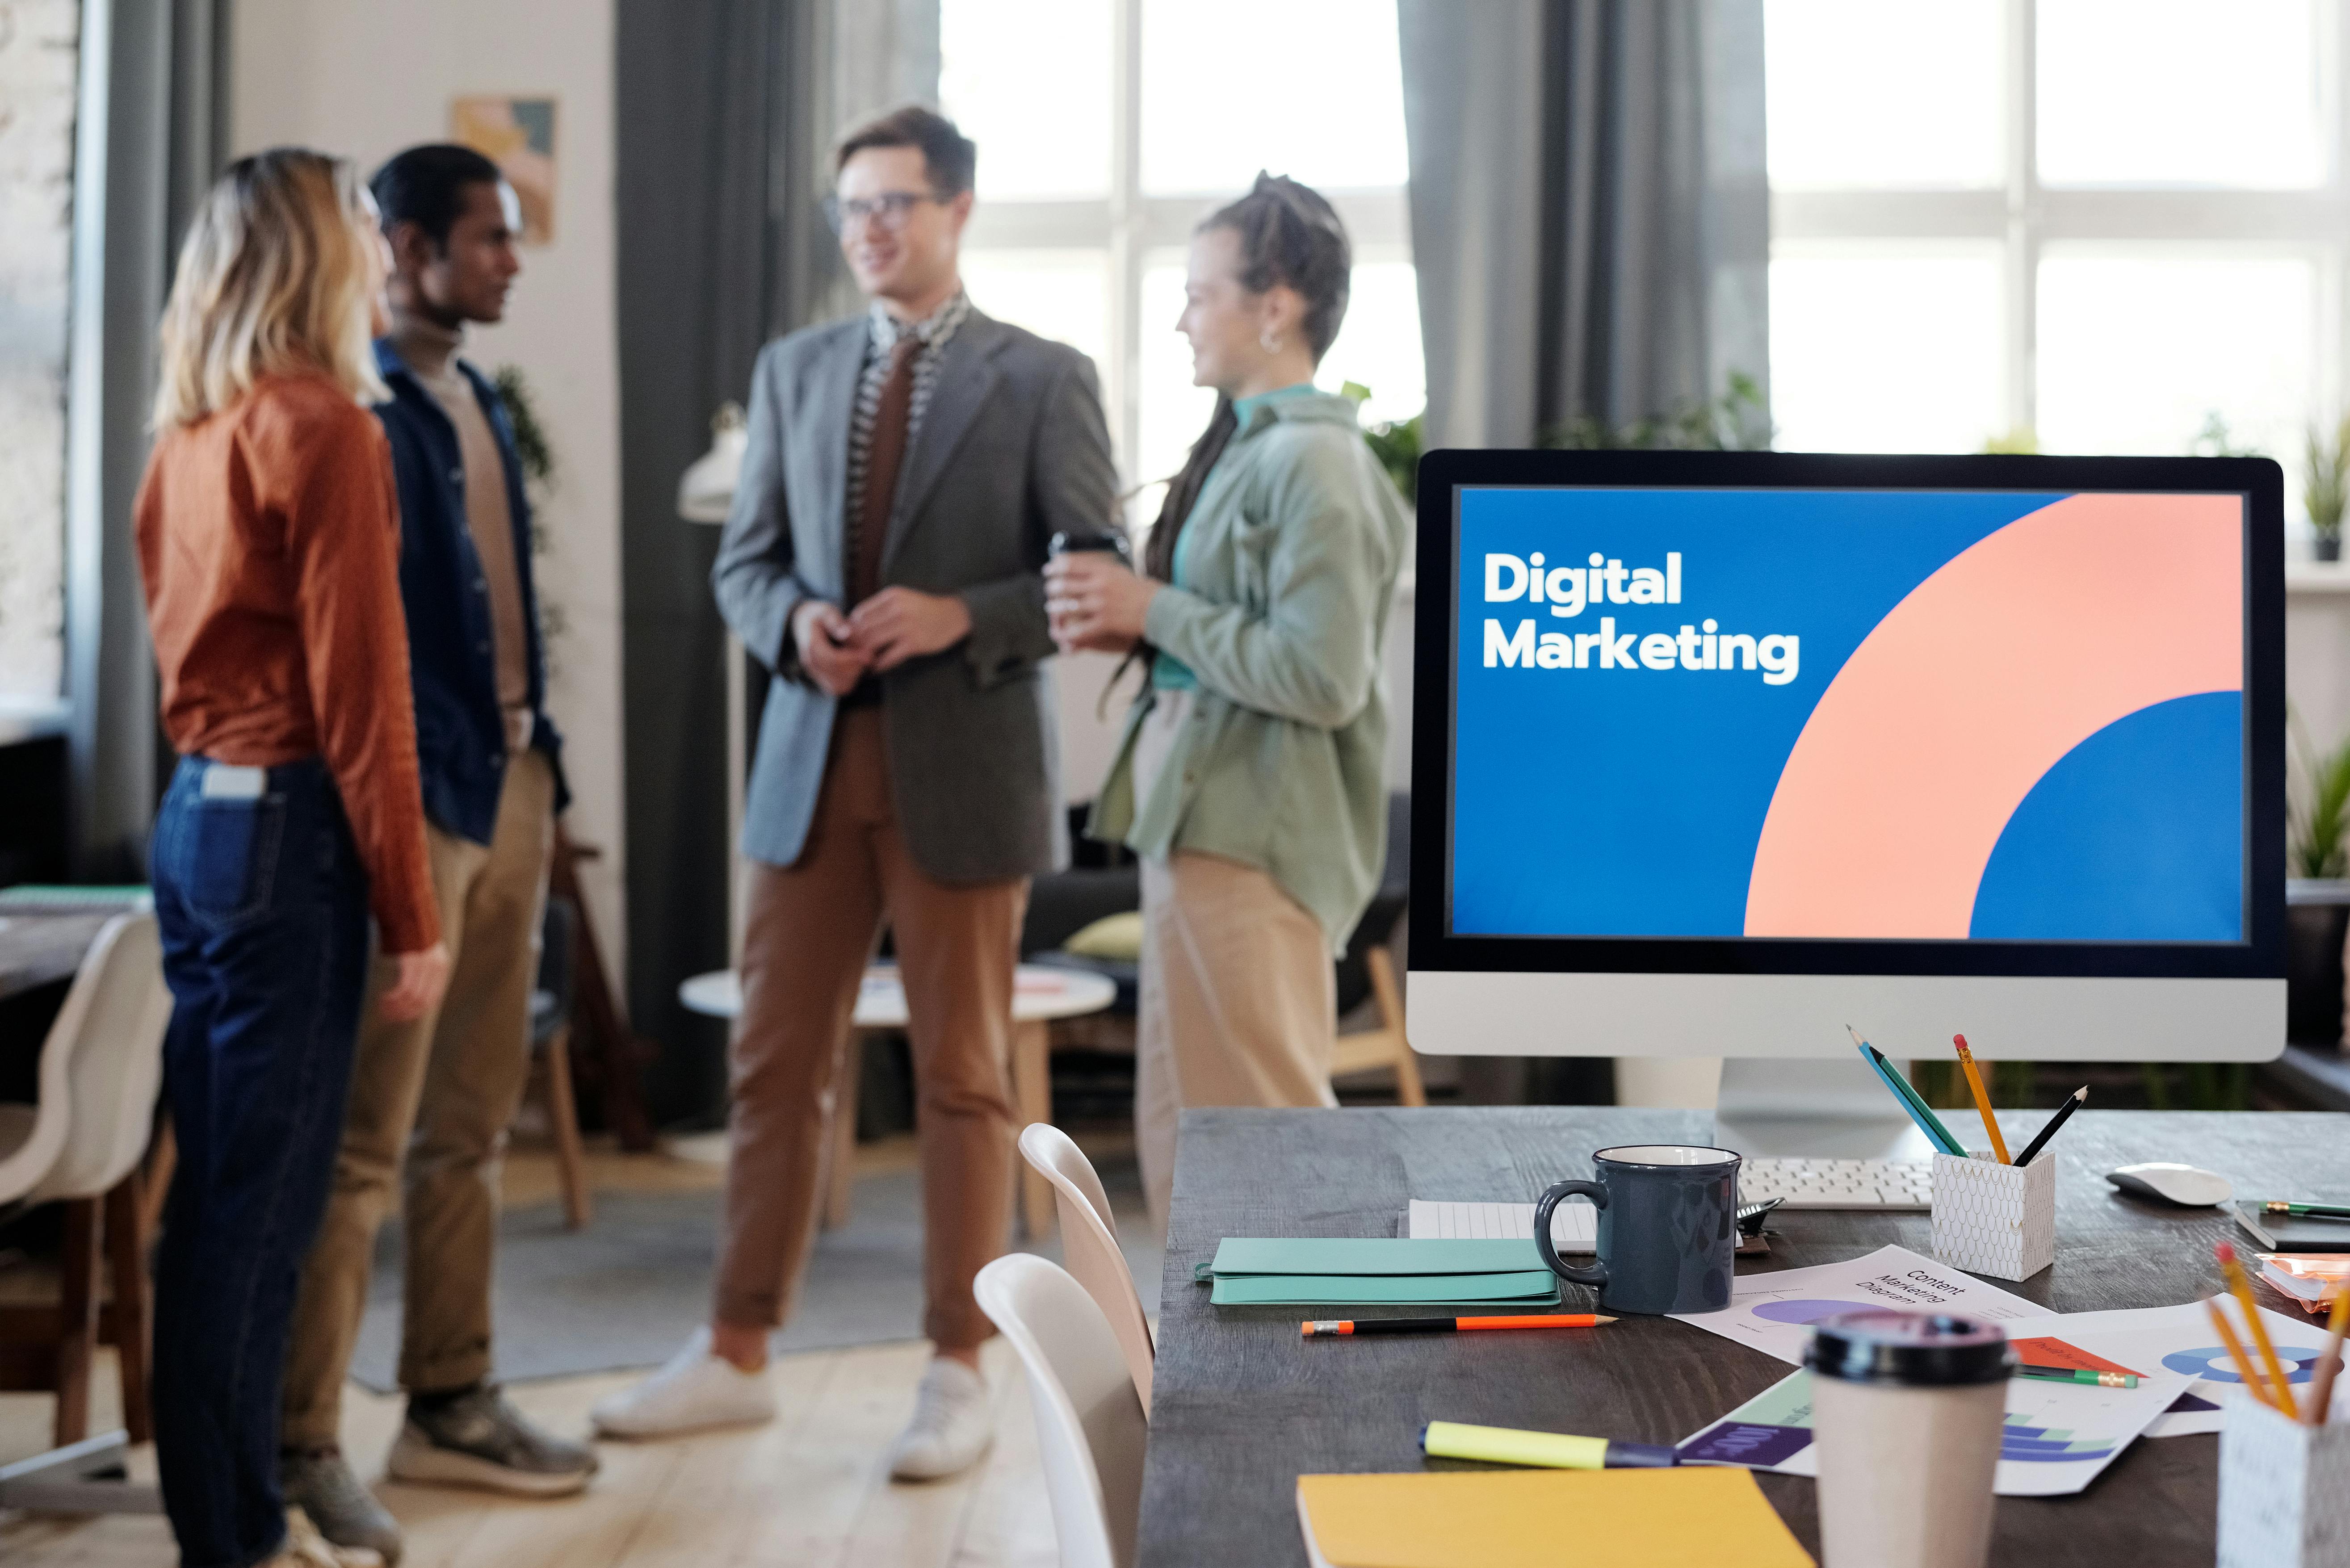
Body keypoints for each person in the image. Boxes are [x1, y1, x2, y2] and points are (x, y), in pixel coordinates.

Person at [589, 104, 1116, 1479]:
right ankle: (735, 1348)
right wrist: (788, 624)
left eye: (893, 204)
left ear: (954, 212)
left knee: (960, 1075)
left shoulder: (1043, 374)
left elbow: (1086, 573)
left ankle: (959, 1362)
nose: (868, 229)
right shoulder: (793, 369)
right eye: (850, 210)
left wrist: (962, 615)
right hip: (809, 764)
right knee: (770, 1064)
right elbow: (742, 562)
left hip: (965, 771)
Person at [274, 144, 596, 1562]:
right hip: (418, 802)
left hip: (516, 778)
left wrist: (539, 775)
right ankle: (300, 1441)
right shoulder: (350, 404)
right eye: (488, 239)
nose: (511, 261)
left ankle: (449, 1395)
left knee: (474, 1127)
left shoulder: (475, 394)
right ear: (402, 245)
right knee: (365, 1143)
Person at [138, 147, 453, 1568]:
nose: (380, 254)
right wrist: (414, 907)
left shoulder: (190, 430)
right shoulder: (325, 423)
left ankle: (229, 1511)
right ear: (318, 255)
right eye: (358, 231)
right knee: (260, 1212)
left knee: (214, 1198)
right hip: (285, 831)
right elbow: (362, 694)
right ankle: (238, 1533)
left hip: (197, 819)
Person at [1045, 173, 1410, 1230]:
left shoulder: (1315, 465)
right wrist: (1142, 626)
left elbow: (1322, 677)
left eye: (1201, 292)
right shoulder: (1257, 451)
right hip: (1204, 833)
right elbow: (1233, 646)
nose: (1181, 316)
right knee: (1190, 1128)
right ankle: (1208, 1380)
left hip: (1254, 843)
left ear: (1275, 304)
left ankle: (1318, 1387)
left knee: (1268, 1139)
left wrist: (1152, 608)